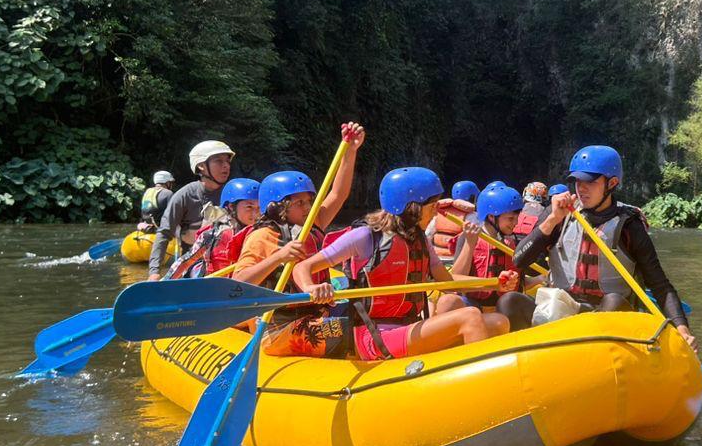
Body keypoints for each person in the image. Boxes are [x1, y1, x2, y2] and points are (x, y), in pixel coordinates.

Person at [294, 166, 515, 360]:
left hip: (407, 326)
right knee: (470, 316)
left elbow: (449, 282)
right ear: (411, 207)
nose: (436, 211)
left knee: (499, 322)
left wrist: (495, 283)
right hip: (375, 335)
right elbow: (302, 267)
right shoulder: (365, 237)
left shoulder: (419, 239)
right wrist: (310, 287)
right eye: (432, 205)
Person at [514, 145, 697, 352]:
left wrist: (682, 329)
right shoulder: (557, 213)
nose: (581, 188)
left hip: (606, 314)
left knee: (613, 301)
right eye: (577, 181)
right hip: (561, 306)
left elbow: (660, 285)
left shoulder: (629, 226)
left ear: (612, 183)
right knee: (511, 302)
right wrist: (552, 220)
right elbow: (519, 260)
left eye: (590, 182)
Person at [230, 122, 365, 357]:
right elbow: (239, 283)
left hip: (315, 315)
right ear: (277, 208)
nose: (307, 208)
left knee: (366, 314)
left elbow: (338, 194)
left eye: (308, 201)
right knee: (347, 332)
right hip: (276, 328)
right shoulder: (262, 236)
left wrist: (350, 150)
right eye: (299, 203)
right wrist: (279, 257)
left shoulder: (312, 224)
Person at [452, 184, 537, 330]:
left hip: (504, 309)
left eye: (517, 218)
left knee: (509, 299)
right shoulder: (468, 237)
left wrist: (541, 279)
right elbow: (456, 279)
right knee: (449, 301)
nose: (515, 224)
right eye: (510, 219)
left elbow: (521, 283)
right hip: (474, 307)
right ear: (491, 217)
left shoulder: (514, 242)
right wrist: (470, 244)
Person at [148, 141, 234, 281]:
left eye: (227, 161)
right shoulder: (184, 195)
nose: (226, 166)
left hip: (228, 263)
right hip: (194, 265)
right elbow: (164, 233)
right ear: (201, 166)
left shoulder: (234, 193)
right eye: (219, 161)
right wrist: (154, 272)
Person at [164, 177, 260, 279]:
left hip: (241, 287)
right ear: (231, 207)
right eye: (249, 207)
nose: (256, 214)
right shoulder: (213, 235)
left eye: (259, 208)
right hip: (212, 285)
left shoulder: (262, 234)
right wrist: (165, 282)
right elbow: (186, 260)